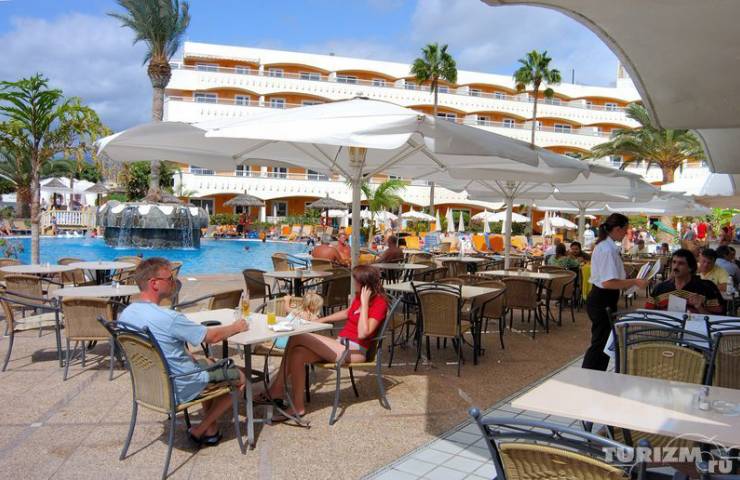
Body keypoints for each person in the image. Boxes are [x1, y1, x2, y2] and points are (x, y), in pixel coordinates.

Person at [118, 258, 248, 445]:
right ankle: (201, 428)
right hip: (181, 384)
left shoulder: (127, 314)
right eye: (169, 278)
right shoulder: (169, 318)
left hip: (152, 386)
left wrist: (187, 354)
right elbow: (212, 337)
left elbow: (158, 345)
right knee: (241, 379)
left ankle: (211, 429)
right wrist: (236, 327)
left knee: (208, 361)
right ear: (154, 283)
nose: (174, 282)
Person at [264, 265, 388, 419]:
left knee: (297, 336)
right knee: (297, 353)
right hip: (341, 345)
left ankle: (276, 389)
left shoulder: (379, 303)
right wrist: (321, 321)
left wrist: (364, 303)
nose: (353, 282)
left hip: (355, 351)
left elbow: (363, 333)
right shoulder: (358, 296)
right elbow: (348, 312)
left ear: (364, 284)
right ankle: (298, 406)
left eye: (355, 280)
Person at [582, 213, 649, 371]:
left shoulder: (607, 246)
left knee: (604, 342)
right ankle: (589, 375)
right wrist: (634, 281)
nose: (626, 234)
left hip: (603, 298)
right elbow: (608, 283)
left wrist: (626, 278)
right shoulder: (607, 249)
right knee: (600, 343)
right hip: (602, 298)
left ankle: (596, 374)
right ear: (617, 229)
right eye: (625, 230)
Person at [645, 249, 724, 314]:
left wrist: (699, 307)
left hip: (695, 328)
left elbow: (717, 320)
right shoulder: (660, 288)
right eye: (674, 262)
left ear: (690, 268)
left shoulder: (706, 288)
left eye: (681, 263)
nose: (675, 267)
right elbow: (647, 314)